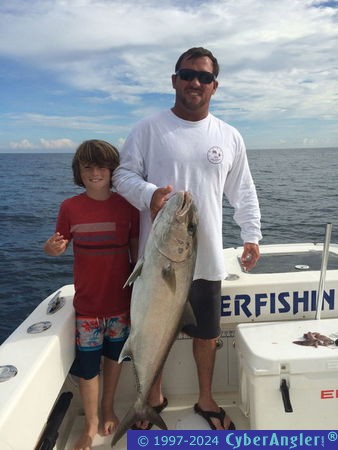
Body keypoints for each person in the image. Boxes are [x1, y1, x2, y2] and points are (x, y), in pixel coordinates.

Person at [113, 47, 262, 431]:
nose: (195, 82)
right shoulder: (148, 129)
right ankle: (152, 398)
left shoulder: (229, 136)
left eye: (204, 77)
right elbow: (122, 176)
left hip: (207, 258)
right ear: (174, 79)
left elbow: (242, 191)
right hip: (158, 263)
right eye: (188, 74)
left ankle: (206, 398)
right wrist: (150, 196)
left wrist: (251, 235)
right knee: (153, 330)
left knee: (207, 336)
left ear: (215, 86)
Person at [44, 140, 139, 450]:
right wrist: (52, 248)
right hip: (87, 308)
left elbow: (137, 254)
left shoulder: (128, 206)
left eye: (102, 167)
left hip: (121, 306)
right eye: (88, 167)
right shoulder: (69, 207)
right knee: (88, 368)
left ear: (114, 171)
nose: (95, 173)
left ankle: (108, 407)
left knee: (114, 361)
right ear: (78, 172)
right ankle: (91, 424)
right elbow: (56, 245)